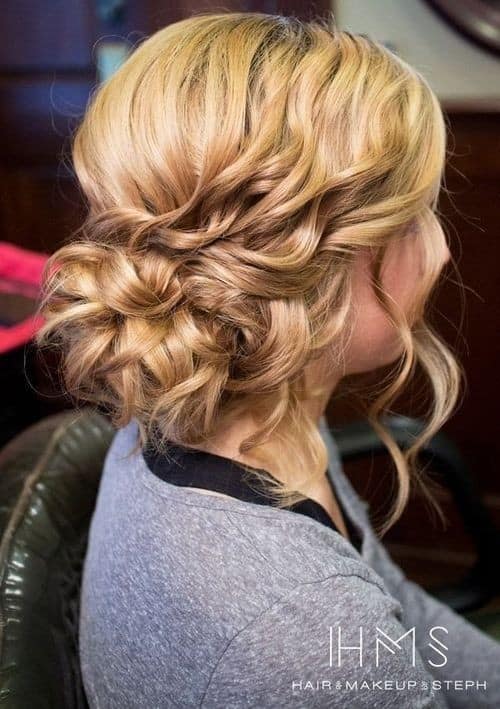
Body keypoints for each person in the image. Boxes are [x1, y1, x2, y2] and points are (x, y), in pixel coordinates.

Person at [35, 11, 500, 708]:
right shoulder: (303, 641)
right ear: (312, 269)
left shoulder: (244, 409)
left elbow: (394, 609)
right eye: (415, 214)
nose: (437, 250)